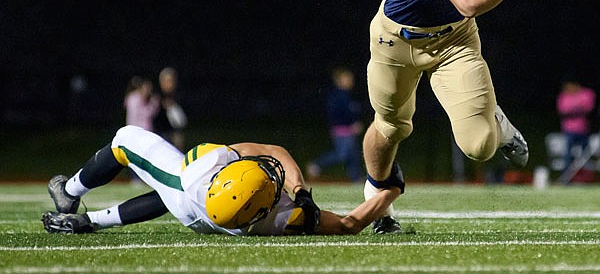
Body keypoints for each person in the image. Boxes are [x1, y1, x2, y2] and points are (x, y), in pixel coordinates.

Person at [362, 0, 535, 234]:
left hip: (454, 40)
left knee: (480, 146)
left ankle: (497, 122)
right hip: (397, 38)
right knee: (391, 127)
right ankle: (376, 197)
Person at [41, 125, 403, 236]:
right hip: (205, 220)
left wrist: (388, 194)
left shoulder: (205, 165)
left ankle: (69, 192)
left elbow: (269, 147)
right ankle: (89, 221)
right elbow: (349, 223)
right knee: (168, 196)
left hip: (189, 194)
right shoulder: (278, 218)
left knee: (124, 139)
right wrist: (389, 192)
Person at [307, 67, 364, 182]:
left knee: (353, 155)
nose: (350, 81)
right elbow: (339, 113)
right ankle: (316, 164)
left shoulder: (346, 95)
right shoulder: (338, 96)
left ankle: (356, 178)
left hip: (347, 129)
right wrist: (352, 124)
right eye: (346, 78)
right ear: (339, 81)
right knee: (341, 154)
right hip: (342, 130)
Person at [556, 78, 597, 175]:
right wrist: (578, 109)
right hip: (569, 130)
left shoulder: (587, 93)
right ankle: (566, 176)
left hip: (584, 129)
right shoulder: (564, 96)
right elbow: (563, 111)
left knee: (586, 154)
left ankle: (587, 176)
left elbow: (589, 109)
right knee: (568, 153)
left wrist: (574, 110)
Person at [153, 67, 188, 151]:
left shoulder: (179, 95)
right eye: (167, 81)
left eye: (172, 81)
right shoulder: (156, 96)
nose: (170, 84)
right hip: (160, 132)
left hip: (175, 132)